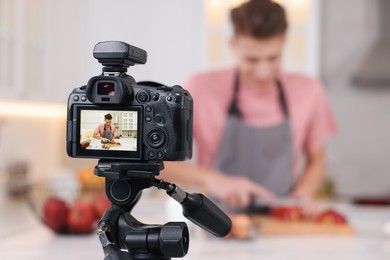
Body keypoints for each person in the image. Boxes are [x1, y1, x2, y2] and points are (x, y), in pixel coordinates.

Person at [161, 0, 337, 214]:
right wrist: (212, 179)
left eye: (273, 58)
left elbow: (317, 161)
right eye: (251, 60)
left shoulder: (310, 91)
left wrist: (306, 191)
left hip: (282, 219)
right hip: (217, 220)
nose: (263, 72)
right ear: (233, 45)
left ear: (284, 43)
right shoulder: (199, 88)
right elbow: (156, 163)